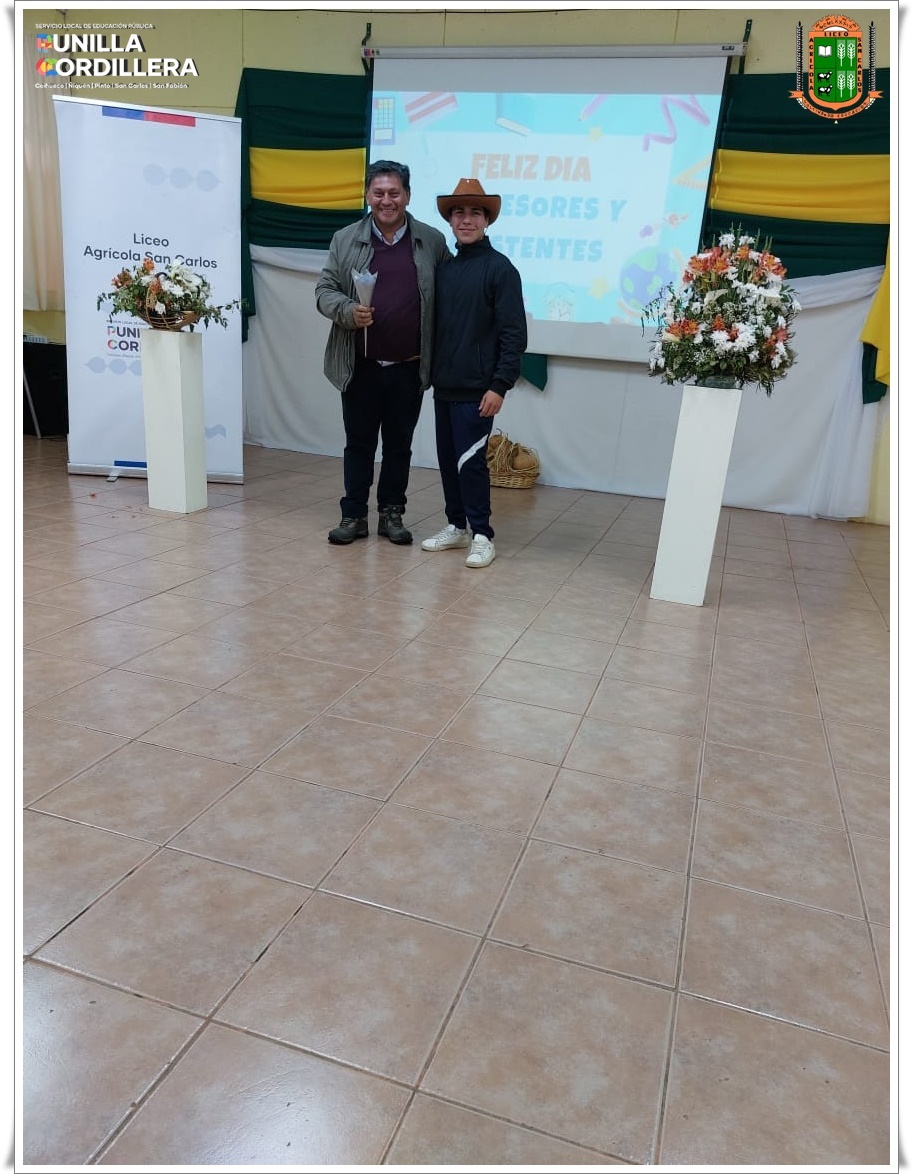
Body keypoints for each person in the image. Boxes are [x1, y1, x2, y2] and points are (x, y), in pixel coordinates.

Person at [315, 160, 450, 545]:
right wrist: (347, 310)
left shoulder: (431, 241)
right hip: (360, 365)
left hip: (409, 367)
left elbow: (450, 295)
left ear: (407, 196)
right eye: (379, 193)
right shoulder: (345, 239)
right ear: (367, 195)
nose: (386, 200)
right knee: (359, 444)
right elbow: (324, 291)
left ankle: (392, 513)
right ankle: (353, 515)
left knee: (399, 446)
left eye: (394, 193)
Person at [421, 178, 527, 569]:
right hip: (444, 387)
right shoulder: (445, 270)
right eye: (459, 213)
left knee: (471, 463)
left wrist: (499, 386)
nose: (466, 220)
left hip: (478, 390)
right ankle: (457, 526)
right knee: (449, 461)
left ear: (487, 220)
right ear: (450, 221)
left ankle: (482, 534)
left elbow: (514, 335)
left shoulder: (501, 270)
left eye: (475, 213)